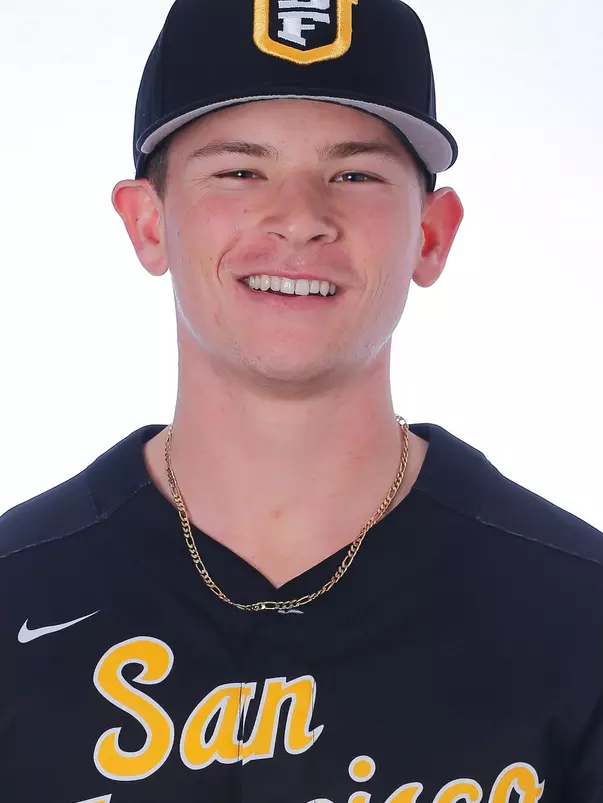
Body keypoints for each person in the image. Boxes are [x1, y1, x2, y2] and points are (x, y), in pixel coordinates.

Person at [1, 0, 602, 800]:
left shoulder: (576, 613)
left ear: (430, 235)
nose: (299, 219)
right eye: (239, 170)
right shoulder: (17, 593)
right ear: (148, 224)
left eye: (353, 173)